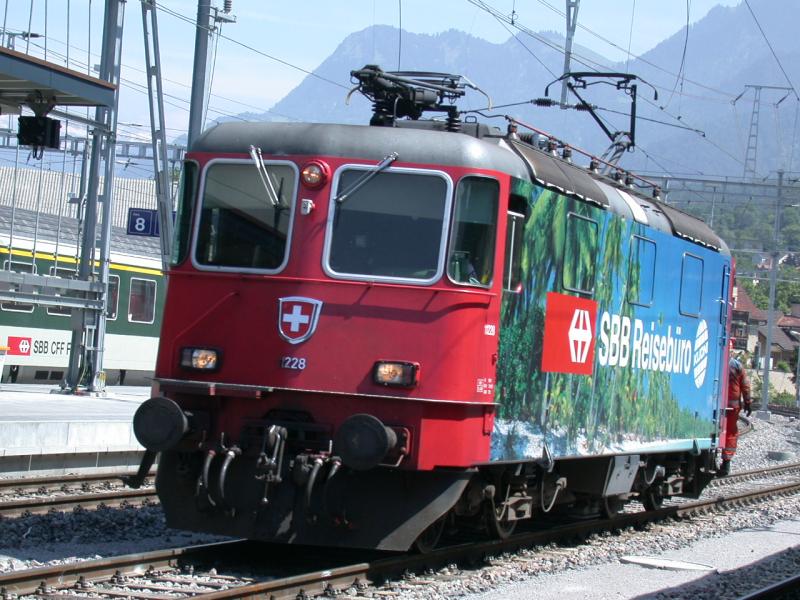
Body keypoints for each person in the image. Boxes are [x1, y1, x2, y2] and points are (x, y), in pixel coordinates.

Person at [720, 356, 752, 476]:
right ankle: (726, 463)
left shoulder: (715, 358)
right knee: (730, 432)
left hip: (714, 403)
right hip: (732, 406)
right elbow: (745, 385)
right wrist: (748, 402)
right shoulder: (737, 366)